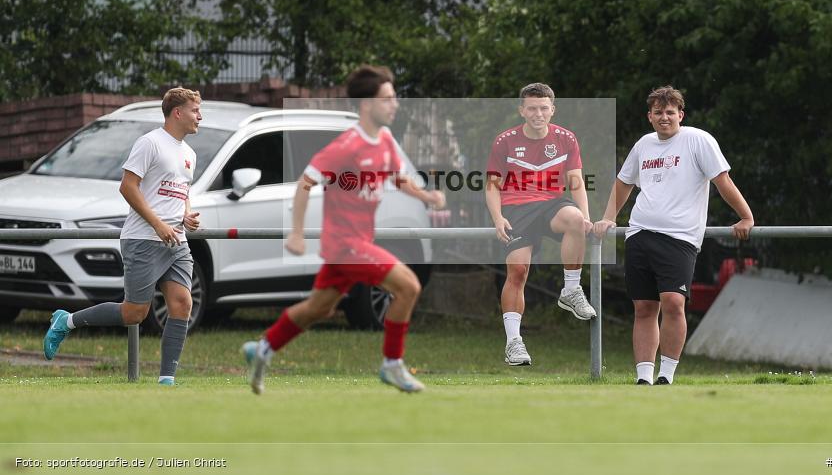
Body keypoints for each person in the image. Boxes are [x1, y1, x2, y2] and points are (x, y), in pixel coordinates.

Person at [242, 65, 445, 394]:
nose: (394, 105)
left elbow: (397, 177)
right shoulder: (347, 146)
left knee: (317, 309)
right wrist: (296, 233)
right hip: (345, 244)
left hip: (356, 242)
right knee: (409, 286)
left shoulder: (385, 141)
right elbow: (305, 183)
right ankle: (392, 364)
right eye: (388, 99)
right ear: (367, 104)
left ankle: (262, 348)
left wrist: (425, 196)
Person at [593, 86, 753, 385]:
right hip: (640, 232)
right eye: (658, 112)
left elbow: (723, 180)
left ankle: (666, 375)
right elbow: (623, 183)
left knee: (673, 302)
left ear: (681, 114)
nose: (664, 117)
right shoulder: (644, 145)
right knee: (643, 307)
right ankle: (644, 378)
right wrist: (607, 217)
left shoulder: (698, 140)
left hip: (679, 237)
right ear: (649, 117)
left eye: (670, 112)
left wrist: (745, 216)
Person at [43, 88, 203, 386]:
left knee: (182, 303)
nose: (200, 116)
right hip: (143, 239)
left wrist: (185, 215)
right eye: (195, 110)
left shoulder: (190, 154)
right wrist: (157, 224)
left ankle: (166, 382)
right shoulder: (150, 143)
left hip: (176, 241)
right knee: (134, 313)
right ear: (177, 112)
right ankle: (66, 321)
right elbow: (128, 187)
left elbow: (182, 193)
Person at [486, 83, 596, 366]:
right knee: (519, 272)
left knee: (573, 219)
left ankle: (571, 290)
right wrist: (498, 218)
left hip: (550, 204)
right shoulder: (504, 141)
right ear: (522, 110)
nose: (538, 113)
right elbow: (492, 186)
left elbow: (576, 181)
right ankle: (513, 343)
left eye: (544, 108)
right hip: (516, 208)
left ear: (552, 110)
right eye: (532, 108)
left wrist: (585, 217)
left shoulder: (566, 138)